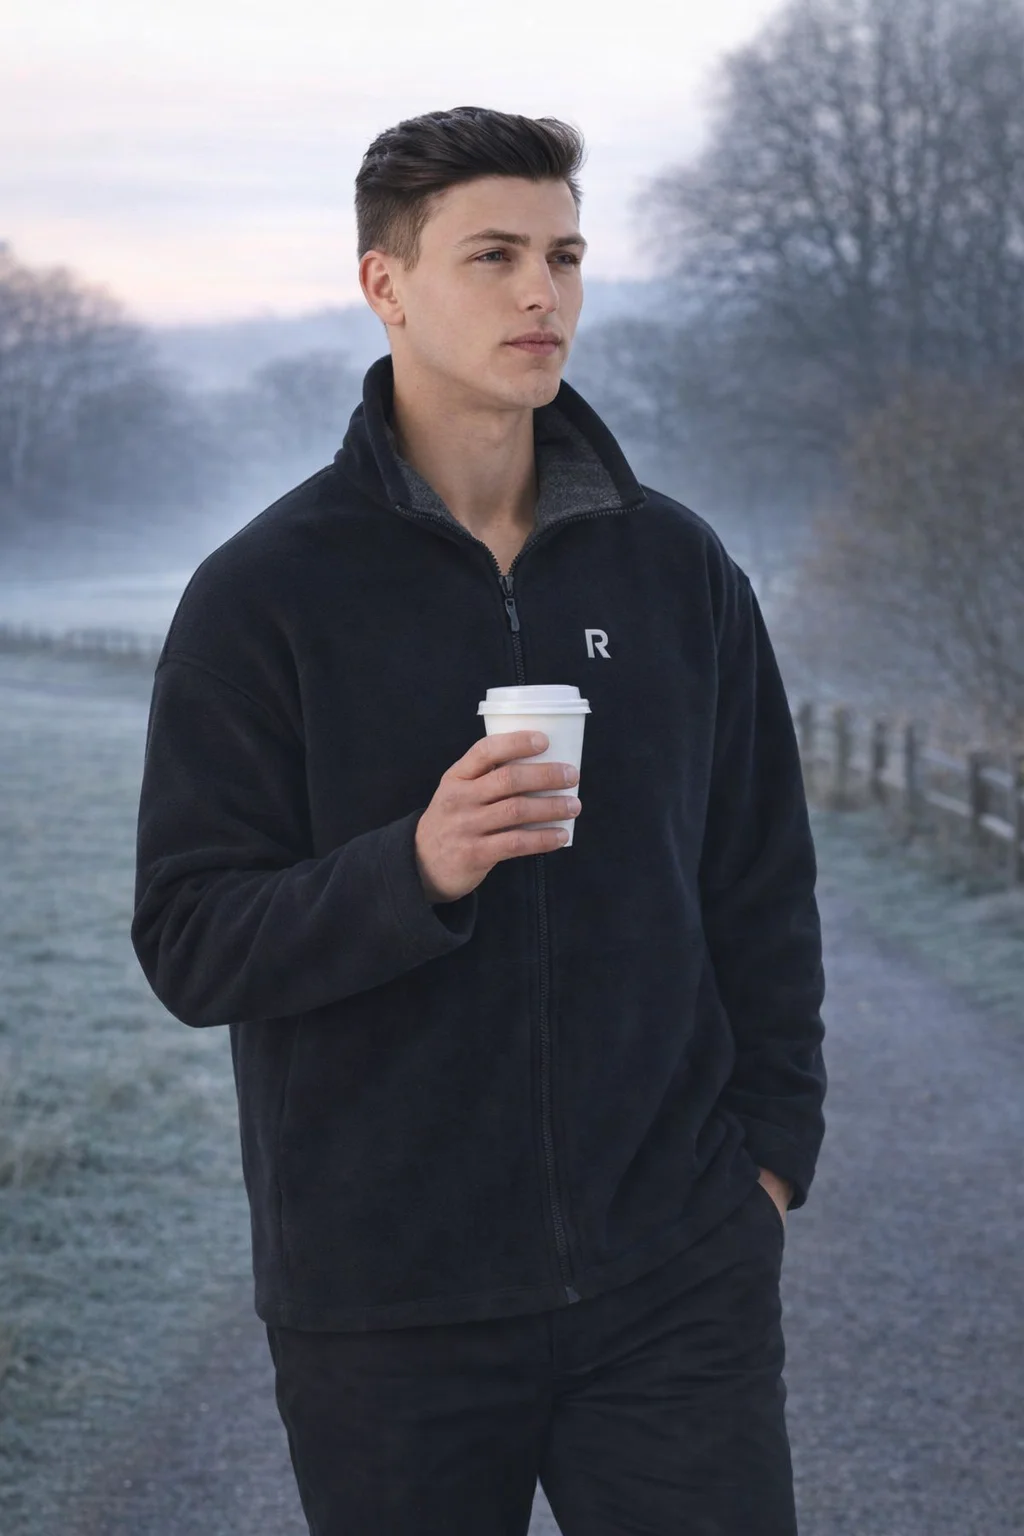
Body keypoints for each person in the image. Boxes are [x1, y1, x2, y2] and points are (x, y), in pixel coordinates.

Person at [131, 105, 827, 1536]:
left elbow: (762, 883)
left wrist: (766, 1165)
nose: (541, 294)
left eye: (565, 256)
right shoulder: (265, 595)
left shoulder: (678, 569)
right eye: (495, 254)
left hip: (674, 1278)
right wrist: (416, 867)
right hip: (386, 1307)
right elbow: (190, 941)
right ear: (385, 284)